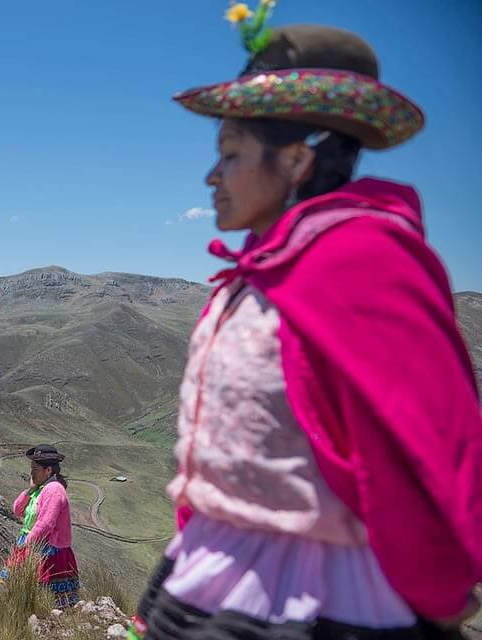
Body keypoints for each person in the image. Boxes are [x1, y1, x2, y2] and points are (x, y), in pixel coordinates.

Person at [128, 5, 482, 640]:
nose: (212, 176)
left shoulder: (362, 262)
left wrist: (439, 584)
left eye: (231, 154)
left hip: (315, 605)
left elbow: (423, 443)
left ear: (296, 160)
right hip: (215, 581)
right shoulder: (260, 272)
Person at [0, 444, 81, 608]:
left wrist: (27, 545)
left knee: (46, 600)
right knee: (5, 588)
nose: (31, 473)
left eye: (35, 469)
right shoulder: (39, 489)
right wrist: (29, 490)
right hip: (31, 544)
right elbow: (17, 510)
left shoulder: (54, 490)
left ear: (48, 470)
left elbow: (45, 524)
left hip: (47, 551)